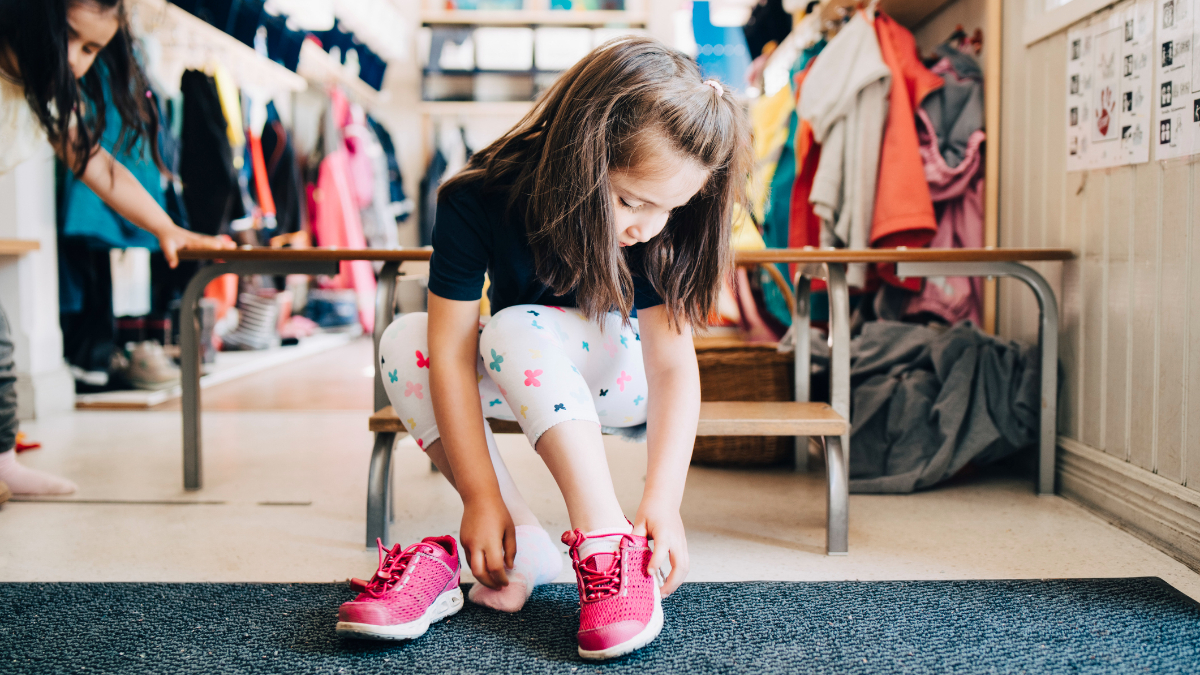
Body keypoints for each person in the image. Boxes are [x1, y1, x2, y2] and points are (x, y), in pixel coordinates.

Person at [335, 37, 751, 660]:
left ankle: (608, 541)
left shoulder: (658, 225)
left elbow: (670, 367)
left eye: (673, 207)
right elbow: (447, 351)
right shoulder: (475, 196)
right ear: (580, 157)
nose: (649, 227)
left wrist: (662, 502)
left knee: (512, 326)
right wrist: (481, 498)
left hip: (624, 377)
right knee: (405, 339)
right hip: (523, 363)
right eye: (631, 201)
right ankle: (526, 541)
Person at [0, 0, 233, 502]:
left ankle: (4, 463)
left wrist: (168, 228)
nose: (81, 63)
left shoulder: (48, 96)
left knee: (0, 353)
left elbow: (101, 168)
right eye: (75, 41)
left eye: (93, 50)